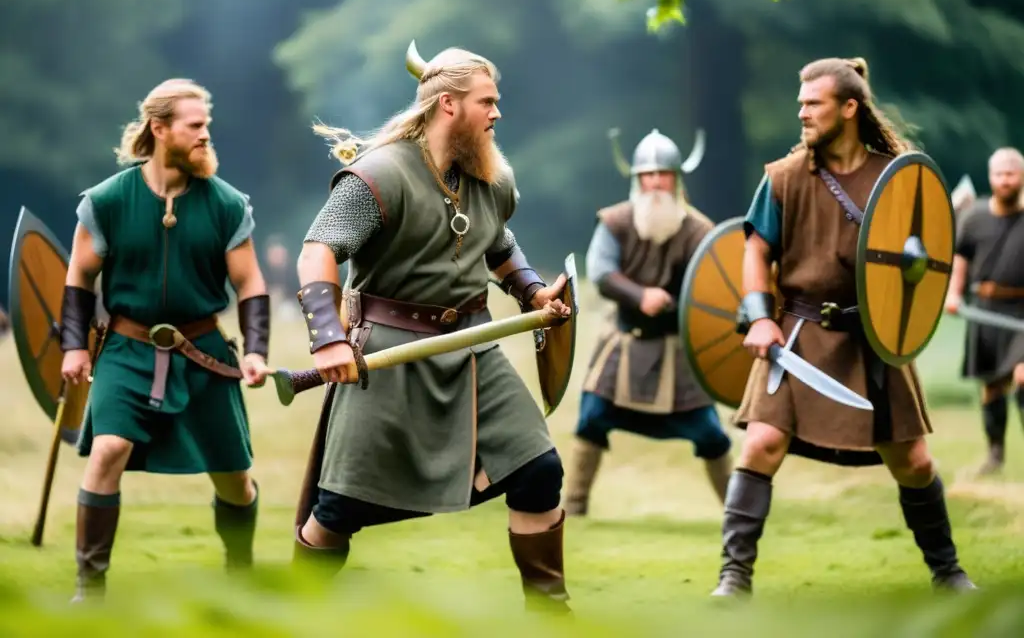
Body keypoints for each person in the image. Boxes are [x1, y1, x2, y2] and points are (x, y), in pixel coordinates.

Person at [291, 43, 573, 613]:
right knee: (339, 509)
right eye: (487, 102)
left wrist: (532, 291)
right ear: (449, 104)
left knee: (540, 471)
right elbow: (316, 252)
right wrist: (327, 338)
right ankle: (291, 616)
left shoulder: (490, 178)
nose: (497, 114)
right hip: (388, 354)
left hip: (472, 350)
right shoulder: (379, 174)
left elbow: (497, 244)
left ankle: (551, 617)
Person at [713, 57, 976, 596]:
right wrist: (760, 317)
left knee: (914, 460)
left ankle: (948, 571)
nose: (803, 113)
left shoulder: (896, 177)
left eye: (814, 104)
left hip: (873, 336)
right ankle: (733, 579)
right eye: (801, 105)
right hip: (801, 331)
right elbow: (756, 251)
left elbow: (922, 258)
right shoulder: (783, 179)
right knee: (761, 443)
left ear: (849, 108)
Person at [59, 78, 272, 601]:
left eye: (207, 126)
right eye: (195, 126)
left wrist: (257, 350)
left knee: (234, 480)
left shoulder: (225, 203)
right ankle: (90, 591)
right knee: (108, 449)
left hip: (203, 351)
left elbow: (250, 283)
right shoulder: (107, 201)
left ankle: (240, 571)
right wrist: (73, 344)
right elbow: (78, 276)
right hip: (127, 350)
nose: (205, 136)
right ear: (160, 129)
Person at [564, 128, 733, 516]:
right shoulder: (615, 221)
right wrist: (642, 296)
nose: (655, 182)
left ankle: (737, 512)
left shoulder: (700, 231)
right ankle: (573, 509)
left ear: (677, 178)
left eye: (663, 174)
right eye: (648, 175)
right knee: (591, 418)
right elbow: (602, 273)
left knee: (710, 433)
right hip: (624, 342)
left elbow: (712, 289)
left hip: (678, 348)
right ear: (636, 179)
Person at [945, 147, 1024, 475]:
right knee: (992, 386)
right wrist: (953, 293)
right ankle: (995, 456)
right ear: (990, 178)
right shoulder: (974, 216)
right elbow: (960, 259)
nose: (1005, 180)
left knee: (1023, 377)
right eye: (999, 174)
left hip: (1021, 312)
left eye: (1011, 173)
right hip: (985, 308)